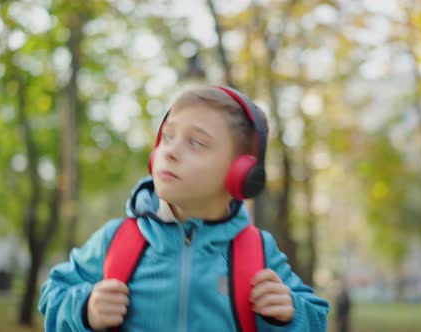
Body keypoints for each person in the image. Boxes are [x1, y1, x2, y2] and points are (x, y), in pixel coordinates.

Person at [38, 85, 329, 331]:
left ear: (241, 174)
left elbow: (316, 317)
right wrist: (85, 309)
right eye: (167, 137)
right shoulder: (117, 240)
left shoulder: (257, 252)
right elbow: (53, 294)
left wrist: (290, 313)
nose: (171, 151)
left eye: (196, 143)